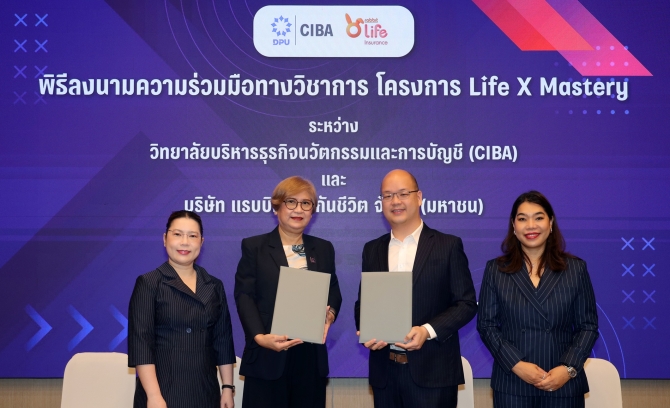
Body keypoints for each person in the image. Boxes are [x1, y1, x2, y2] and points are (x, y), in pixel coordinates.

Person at [354, 169, 478, 408]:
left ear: (419, 197)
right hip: (385, 374)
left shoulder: (448, 245)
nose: (395, 201)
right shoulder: (372, 249)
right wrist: (368, 331)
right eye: (388, 195)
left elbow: (466, 304)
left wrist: (427, 331)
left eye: (403, 194)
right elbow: (364, 303)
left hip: (434, 374)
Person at [477, 191, 599, 408]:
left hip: (563, 384)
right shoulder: (496, 270)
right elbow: (487, 326)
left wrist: (568, 368)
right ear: (513, 226)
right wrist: (516, 364)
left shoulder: (575, 269)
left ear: (550, 223)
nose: (531, 225)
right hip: (513, 383)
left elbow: (588, 327)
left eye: (539, 217)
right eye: (522, 219)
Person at [234, 176, 342, 408]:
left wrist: (329, 314)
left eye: (306, 203)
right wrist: (259, 337)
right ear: (277, 207)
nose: (298, 209)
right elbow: (244, 296)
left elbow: (333, 290)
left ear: (312, 211)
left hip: (310, 358)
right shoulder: (255, 247)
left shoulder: (323, 249)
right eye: (291, 202)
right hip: (267, 355)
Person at [128, 210, 235, 408]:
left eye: (192, 236)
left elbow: (223, 340)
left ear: (201, 242)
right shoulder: (149, 283)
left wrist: (227, 387)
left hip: (205, 390)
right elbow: (141, 344)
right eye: (177, 234)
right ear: (165, 239)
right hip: (163, 391)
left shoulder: (214, 285)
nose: (185, 242)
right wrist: (153, 396)